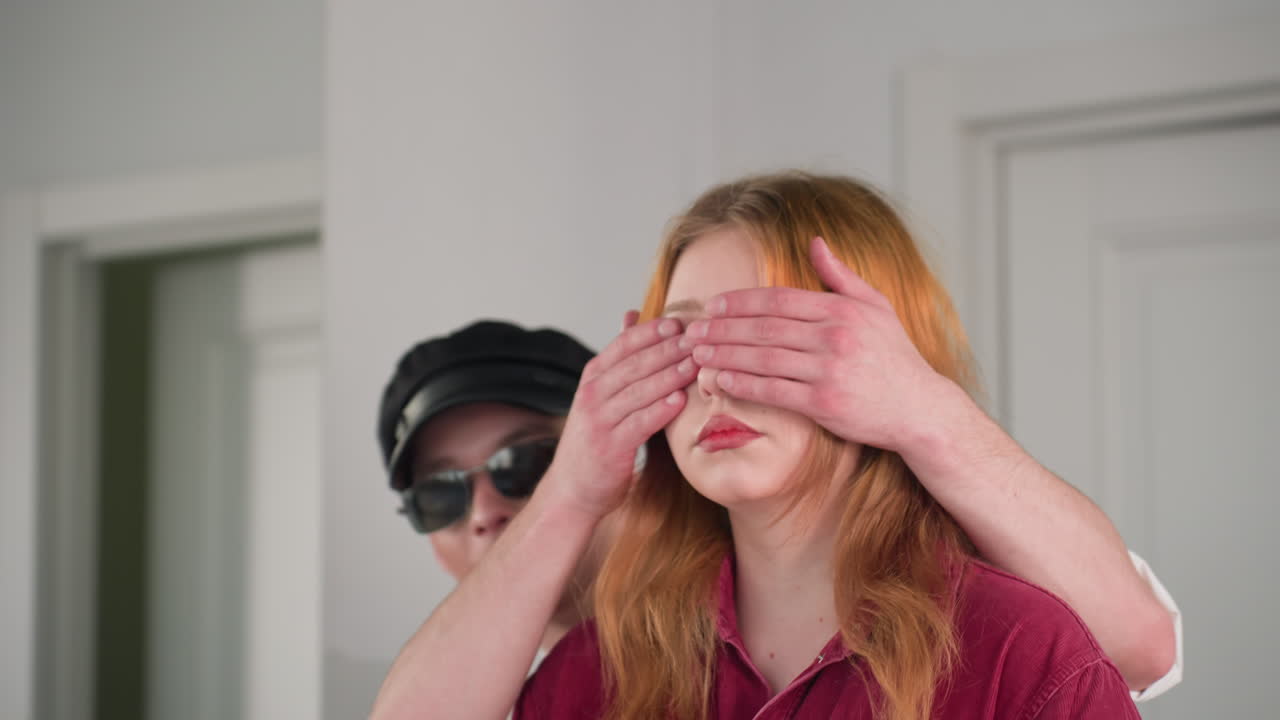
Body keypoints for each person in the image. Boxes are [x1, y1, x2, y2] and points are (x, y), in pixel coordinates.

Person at [370, 185, 1180, 719]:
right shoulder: (593, 676)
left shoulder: (1020, 652)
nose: (715, 382)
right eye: (683, 338)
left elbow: (1145, 642)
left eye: (765, 336)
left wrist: (924, 408)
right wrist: (574, 486)